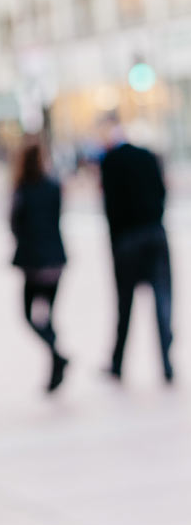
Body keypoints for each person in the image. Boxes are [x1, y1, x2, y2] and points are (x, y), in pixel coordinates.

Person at [100, 122, 174, 383]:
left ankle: (118, 363)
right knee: (162, 301)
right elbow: (162, 192)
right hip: (154, 232)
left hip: (126, 239)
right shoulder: (147, 157)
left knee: (124, 304)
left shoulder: (110, 162)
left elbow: (109, 208)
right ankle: (166, 364)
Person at [10, 140, 69, 393]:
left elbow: (14, 224)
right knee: (48, 316)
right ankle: (56, 356)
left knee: (28, 315)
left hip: (33, 262)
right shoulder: (53, 187)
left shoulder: (23, 189)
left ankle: (57, 355)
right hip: (55, 259)